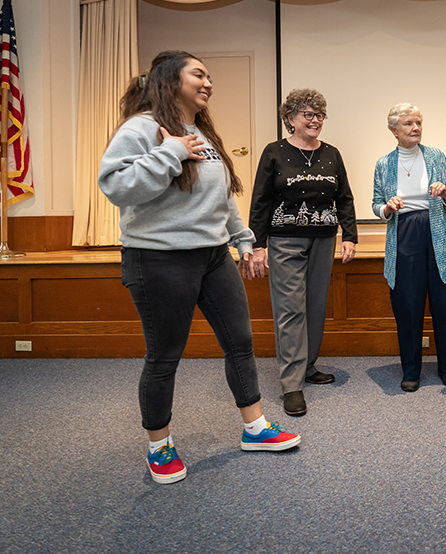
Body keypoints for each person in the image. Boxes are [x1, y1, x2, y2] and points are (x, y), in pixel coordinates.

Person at [99, 50, 300, 485]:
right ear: (171, 80)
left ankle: (255, 427)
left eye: (210, 76)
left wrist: (243, 240)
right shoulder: (143, 128)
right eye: (199, 74)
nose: (208, 82)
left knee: (241, 341)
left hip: (212, 255)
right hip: (158, 257)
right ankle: (159, 445)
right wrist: (169, 152)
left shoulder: (200, 132)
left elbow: (221, 194)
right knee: (165, 355)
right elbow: (114, 185)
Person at [248, 88, 357, 417]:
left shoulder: (332, 153)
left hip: (323, 239)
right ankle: (291, 384)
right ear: (290, 118)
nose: (315, 120)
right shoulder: (274, 152)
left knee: (315, 306)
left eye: (319, 115)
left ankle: (307, 366)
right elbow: (261, 200)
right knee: (291, 309)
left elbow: (345, 197)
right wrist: (257, 244)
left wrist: (349, 235)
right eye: (308, 114)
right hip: (285, 240)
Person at [373, 103, 446, 392]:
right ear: (394, 130)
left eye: (418, 123)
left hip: (440, 233)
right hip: (405, 235)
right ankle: (411, 371)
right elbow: (376, 203)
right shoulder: (384, 164)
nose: (415, 128)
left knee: (445, 304)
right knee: (408, 306)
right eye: (408, 124)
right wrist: (387, 207)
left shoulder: (436, 156)